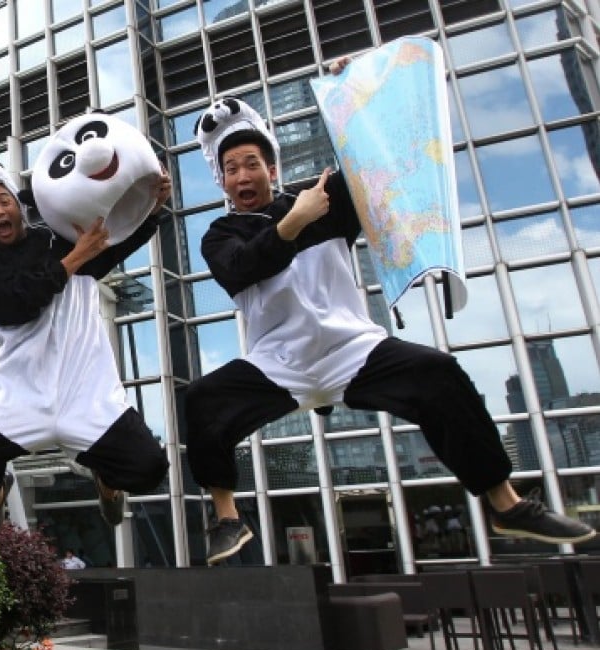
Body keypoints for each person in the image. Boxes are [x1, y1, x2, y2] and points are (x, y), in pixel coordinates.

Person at [186, 87, 596, 566]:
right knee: (201, 401)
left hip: (351, 348)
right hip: (279, 361)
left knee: (440, 374)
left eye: (252, 163)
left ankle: (507, 505)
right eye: (231, 168)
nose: (243, 175)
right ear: (222, 182)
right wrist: (291, 223)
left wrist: (355, 87)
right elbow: (240, 268)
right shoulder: (222, 234)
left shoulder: (324, 199)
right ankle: (227, 519)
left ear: (271, 168)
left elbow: (371, 154)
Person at [0, 162, 171, 538]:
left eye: (3, 200)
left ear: (18, 204)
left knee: (149, 469)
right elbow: (13, 306)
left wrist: (153, 206)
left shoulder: (57, 236)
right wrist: (75, 258)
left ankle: (106, 481)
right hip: (20, 393)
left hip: (87, 391)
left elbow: (113, 241)